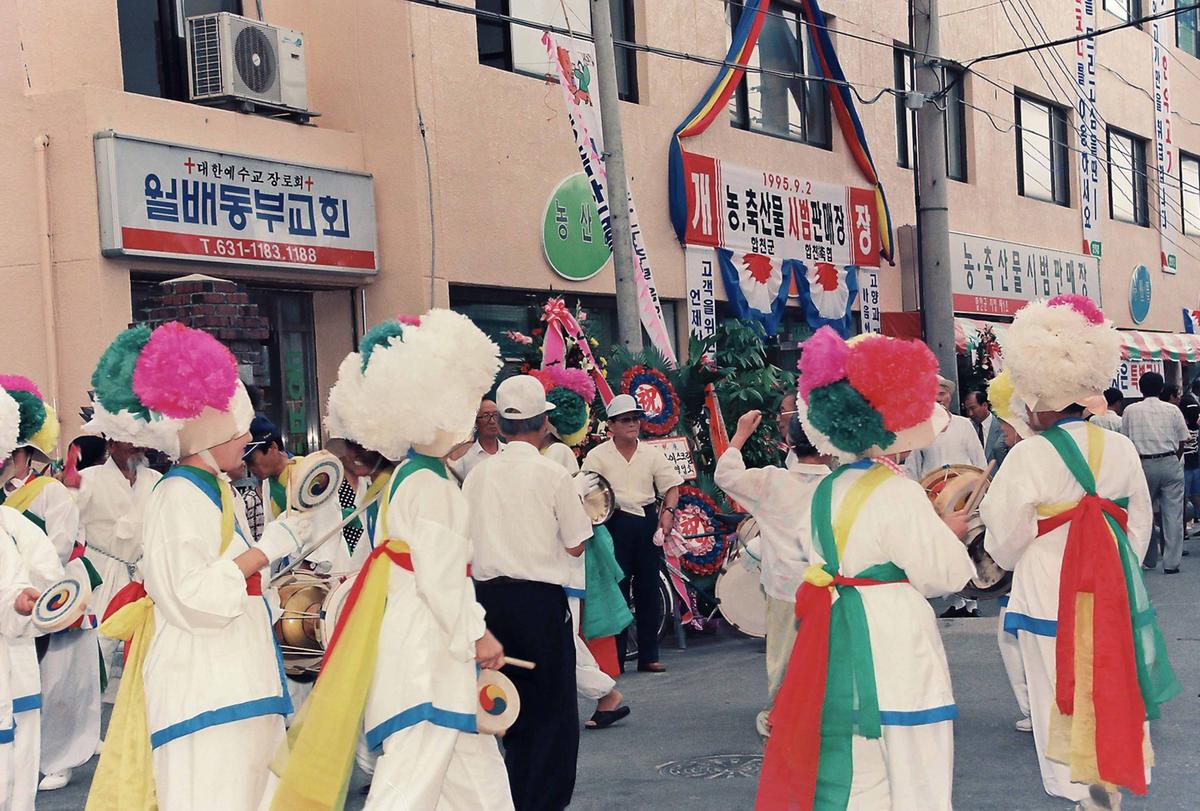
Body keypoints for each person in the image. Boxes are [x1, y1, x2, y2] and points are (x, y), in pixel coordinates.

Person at [270, 311, 512, 811]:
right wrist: (478, 634)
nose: (471, 416)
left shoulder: (407, 476)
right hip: (429, 658)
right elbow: (443, 579)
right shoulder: (430, 483)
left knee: (482, 789)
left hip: (424, 655)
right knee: (406, 789)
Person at [84, 322, 313, 811]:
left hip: (240, 682)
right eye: (237, 430)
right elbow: (188, 595)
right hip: (205, 690)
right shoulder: (177, 495)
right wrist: (266, 550)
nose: (248, 438)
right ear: (207, 435)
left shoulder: (216, 488)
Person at [757, 326, 974, 811]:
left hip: (836, 640)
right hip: (895, 639)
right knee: (919, 768)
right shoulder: (898, 490)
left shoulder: (824, 491)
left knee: (859, 775)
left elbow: (811, 557)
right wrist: (949, 533)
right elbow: (945, 574)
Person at [982, 295, 1179, 809]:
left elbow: (1002, 538)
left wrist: (1025, 555)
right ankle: (1108, 778)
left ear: (1039, 397)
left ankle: (1075, 788)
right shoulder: (1119, 447)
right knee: (1109, 687)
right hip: (1111, 589)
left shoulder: (1027, 455)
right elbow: (1140, 522)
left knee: (1054, 691)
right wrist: (1120, 566)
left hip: (1047, 593)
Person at [464, 375, 594, 810]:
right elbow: (577, 542)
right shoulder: (554, 474)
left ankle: (515, 797)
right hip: (539, 604)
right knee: (552, 713)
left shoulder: (476, 477)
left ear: (499, 424)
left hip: (488, 606)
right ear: (543, 425)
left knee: (505, 707)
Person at [0, 376, 100, 793]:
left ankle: (64, 755)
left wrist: (34, 593)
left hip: (54, 589)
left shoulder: (51, 493)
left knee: (64, 679)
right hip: (21, 601)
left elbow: (57, 549)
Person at [714, 410, 830, 738]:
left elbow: (726, 475)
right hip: (831, 584)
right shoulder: (838, 484)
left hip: (785, 583)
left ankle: (782, 712)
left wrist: (740, 434)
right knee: (829, 651)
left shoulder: (771, 481)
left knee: (784, 655)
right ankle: (824, 713)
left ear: (789, 443)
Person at [526, 366, 629, 731]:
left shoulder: (559, 458)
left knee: (561, 638)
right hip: (546, 561)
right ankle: (605, 696)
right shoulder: (544, 456)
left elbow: (568, 519)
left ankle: (605, 695)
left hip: (557, 560)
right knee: (560, 638)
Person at [581, 394, 682, 673]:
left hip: (646, 522)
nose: (633, 424)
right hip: (612, 525)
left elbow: (671, 487)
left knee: (649, 590)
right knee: (617, 589)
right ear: (611, 425)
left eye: (636, 418)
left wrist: (668, 513)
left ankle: (649, 656)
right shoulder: (597, 455)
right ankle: (615, 658)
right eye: (626, 419)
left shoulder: (651, 453)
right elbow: (587, 489)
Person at [74, 438, 162, 686]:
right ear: (111, 445)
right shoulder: (88, 479)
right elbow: (68, 526)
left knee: (149, 646)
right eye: (130, 442)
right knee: (98, 645)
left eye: (141, 441)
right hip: (103, 573)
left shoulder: (156, 480)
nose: (139, 447)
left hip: (144, 574)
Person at [982, 371, 1035, 734]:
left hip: (1029, 565)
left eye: (1004, 425)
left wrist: (998, 557)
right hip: (1085, 561)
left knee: (1014, 637)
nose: (1002, 432)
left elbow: (997, 516)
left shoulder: (1022, 458)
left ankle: (1036, 707)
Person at [244, 417, 345, 574]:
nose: (250, 467)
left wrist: (307, 569)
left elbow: (328, 521)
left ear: (273, 447)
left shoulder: (309, 472)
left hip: (321, 572)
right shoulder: (267, 483)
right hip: (291, 570)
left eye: (251, 459)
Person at [1121, 372, 1189, 573]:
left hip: (1142, 465)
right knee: (1173, 514)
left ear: (1140, 389)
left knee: (1143, 511)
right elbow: (1182, 439)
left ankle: (1148, 558)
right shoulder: (1172, 410)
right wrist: (1174, 459)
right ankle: (1171, 563)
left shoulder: (1130, 411)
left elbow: (1126, 440)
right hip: (1169, 461)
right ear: (1161, 389)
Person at [447, 398, 502, 482]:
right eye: (486, 416)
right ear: (476, 421)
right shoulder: (465, 458)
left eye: (495, 415)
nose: (492, 421)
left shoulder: (509, 451)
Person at [964, 388, 1008, 468]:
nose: (970, 413)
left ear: (985, 405)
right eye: (967, 410)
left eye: (973, 408)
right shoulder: (968, 428)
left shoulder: (1003, 426)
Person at [1181, 381, 1200, 538]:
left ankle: (1184, 530)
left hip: (1185, 465)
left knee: (1184, 497)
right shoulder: (1196, 427)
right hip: (1195, 464)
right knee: (1196, 495)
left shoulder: (1182, 428)